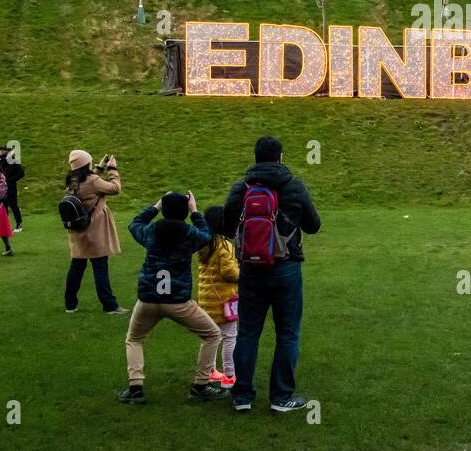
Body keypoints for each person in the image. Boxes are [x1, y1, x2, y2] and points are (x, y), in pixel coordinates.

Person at [224, 136, 321, 413]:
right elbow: (313, 225)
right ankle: (281, 396)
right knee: (288, 333)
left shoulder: (241, 188)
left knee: (248, 333)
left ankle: (242, 395)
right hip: (286, 267)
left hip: (250, 269)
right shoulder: (294, 186)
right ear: (281, 157)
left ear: (255, 157)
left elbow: (228, 224)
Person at [118, 192, 228, 404]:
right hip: (178, 302)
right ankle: (200, 386)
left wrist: (156, 206)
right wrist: (195, 211)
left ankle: (135, 388)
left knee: (134, 339)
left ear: (164, 209)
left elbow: (135, 224)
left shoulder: (151, 231)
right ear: (184, 211)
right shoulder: (190, 234)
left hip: (148, 300)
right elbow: (206, 234)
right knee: (213, 335)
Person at [63, 150, 126, 315]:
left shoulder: (72, 181)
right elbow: (115, 188)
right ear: (85, 165)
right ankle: (110, 305)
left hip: (78, 231)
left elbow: (89, 181)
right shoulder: (93, 181)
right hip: (95, 230)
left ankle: (70, 304)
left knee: (76, 268)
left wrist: (99, 168)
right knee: (100, 267)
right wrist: (112, 170)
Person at [196, 205, 240, 387]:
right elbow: (230, 273)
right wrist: (242, 270)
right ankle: (230, 374)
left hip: (206, 300)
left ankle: (210, 371)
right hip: (224, 300)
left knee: (211, 337)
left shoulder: (203, 244)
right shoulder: (224, 244)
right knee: (229, 336)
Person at [0, 144, 25, 233]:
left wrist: (11, 180)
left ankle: (19, 224)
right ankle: (5, 226)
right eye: (1, 150)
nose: (1, 151)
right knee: (4, 206)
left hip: (11, 187)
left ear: (8, 151)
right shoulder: (0, 160)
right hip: (2, 187)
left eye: (3, 150)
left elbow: (21, 173)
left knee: (13, 205)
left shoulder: (13, 160)